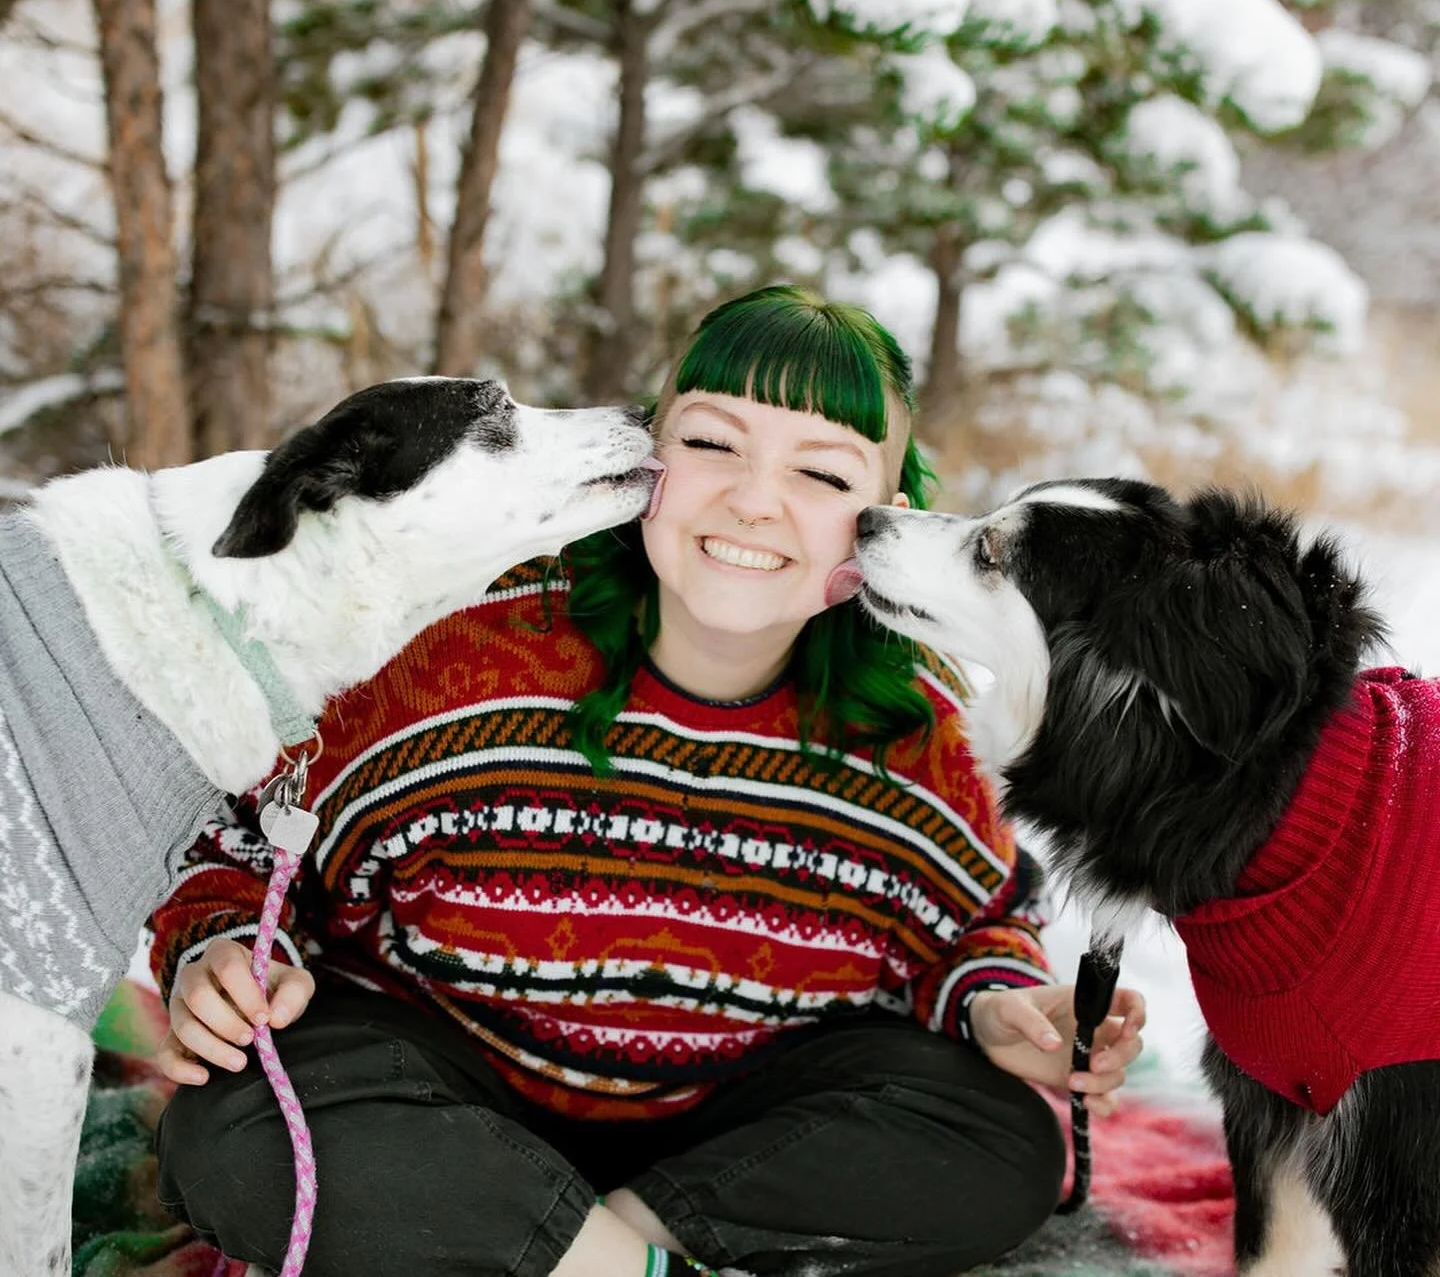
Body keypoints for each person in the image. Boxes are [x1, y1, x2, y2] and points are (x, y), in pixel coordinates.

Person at [150, 286, 1145, 1277]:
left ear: (887, 519)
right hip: (437, 1080)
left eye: (821, 473)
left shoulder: (923, 726)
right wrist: (227, 951)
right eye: (712, 445)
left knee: (999, 1143)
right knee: (237, 1130)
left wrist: (1000, 1005)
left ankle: (581, 1246)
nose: (756, 502)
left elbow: (974, 927)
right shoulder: (453, 640)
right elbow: (240, 833)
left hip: (736, 1131)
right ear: (644, 453)